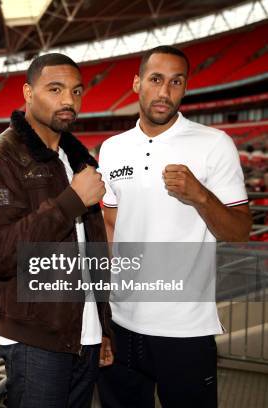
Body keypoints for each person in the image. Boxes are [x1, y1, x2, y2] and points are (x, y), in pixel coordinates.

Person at [97, 45, 252, 408]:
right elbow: (109, 224)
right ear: (137, 83)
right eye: (155, 80)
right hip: (121, 324)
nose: (165, 92)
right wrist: (102, 317)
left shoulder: (214, 145)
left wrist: (200, 196)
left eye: (176, 82)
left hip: (185, 329)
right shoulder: (112, 148)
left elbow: (240, 231)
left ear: (185, 87)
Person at [0, 53, 113, 408]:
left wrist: (101, 325)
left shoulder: (75, 157)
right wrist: (71, 201)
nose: (69, 100)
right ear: (27, 92)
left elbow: (90, 251)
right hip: (35, 339)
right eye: (55, 89)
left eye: (77, 91)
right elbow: (0, 254)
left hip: (85, 334)